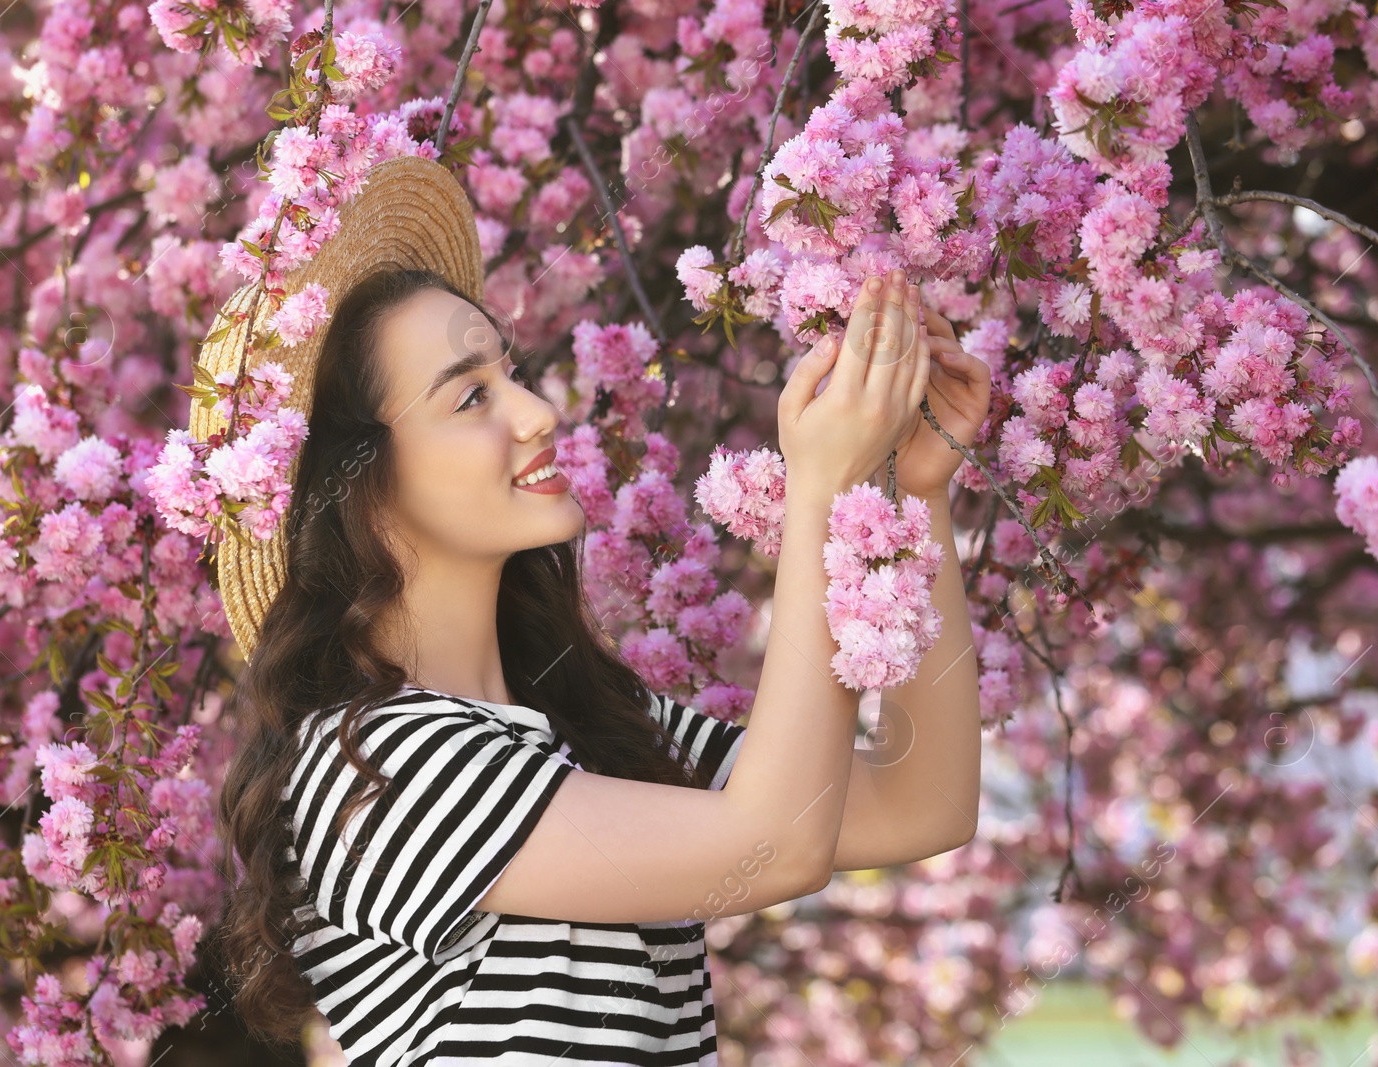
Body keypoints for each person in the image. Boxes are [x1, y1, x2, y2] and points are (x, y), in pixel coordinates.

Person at [209, 156, 988, 1066]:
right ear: (360, 489)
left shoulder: (581, 724)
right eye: (472, 397)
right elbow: (773, 847)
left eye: (513, 374)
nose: (538, 412)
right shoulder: (374, 764)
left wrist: (912, 493)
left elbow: (920, 802)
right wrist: (825, 486)